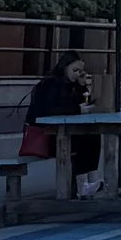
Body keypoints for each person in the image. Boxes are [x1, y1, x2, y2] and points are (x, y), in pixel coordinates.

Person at [21, 53, 101, 194]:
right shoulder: (50, 84)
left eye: (80, 71)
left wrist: (83, 86)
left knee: (93, 135)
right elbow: (48, 110)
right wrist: (77, 109)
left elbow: (82, 102)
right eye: (75, 71)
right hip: (46, 135)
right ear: (64, 68)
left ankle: (91, 180)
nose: (77, 74)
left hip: (62, 132)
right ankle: (81, 185)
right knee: (81, 140)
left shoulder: (73, 85)